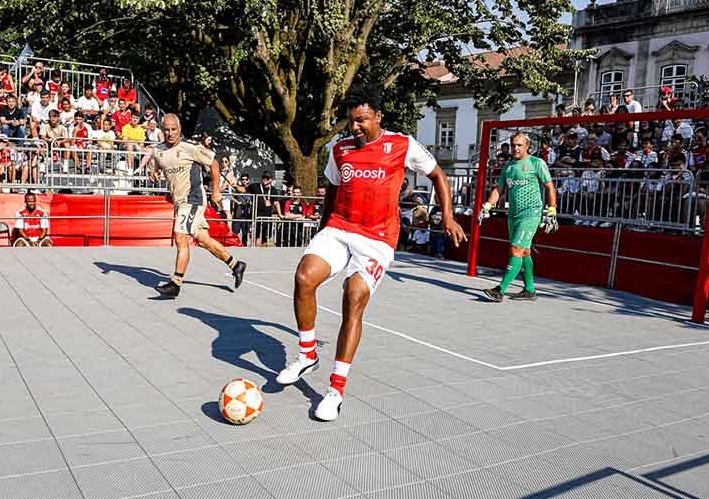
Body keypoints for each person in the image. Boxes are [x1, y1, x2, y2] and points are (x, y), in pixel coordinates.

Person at [274, 87, 466, 421]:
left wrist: (447, 216)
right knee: (304, 276)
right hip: (339, 228)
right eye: (351, 122)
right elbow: (333, 190)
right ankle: (307, 354)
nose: (355, 128)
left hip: (376, 240)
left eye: (362, 121)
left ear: (378, 116)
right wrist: (322, 230)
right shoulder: (340, 149)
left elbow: (438, 175)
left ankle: (335, 391)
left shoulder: (402, 145)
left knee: (353, 297)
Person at [145, 114, 247, 297]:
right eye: (166, 130)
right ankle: (235, 264)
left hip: (193, 199)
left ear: (180, 129)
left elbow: (214, 164)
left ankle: (175, 283)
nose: (170, 133)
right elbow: (155, 169)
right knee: (203, 240)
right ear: (162, 130)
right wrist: (152, 174)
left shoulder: (190, 148)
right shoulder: (158, 150)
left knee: (180, 237)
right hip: (179, 202)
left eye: (173, 129)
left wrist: (215, 191)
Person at [479, 133, 559, 301]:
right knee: (524, 252)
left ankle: (499, 290)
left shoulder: (536, 163)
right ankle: (529, 290)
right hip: (513, 215)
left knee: (515, 249)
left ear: (527, 146)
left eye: (519, 145)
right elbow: (498, 189)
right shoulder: (508, 167)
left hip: (531, 213)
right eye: (513, 145)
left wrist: (551, 210)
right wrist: (487, 205)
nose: (515, 148)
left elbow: (550, 187)